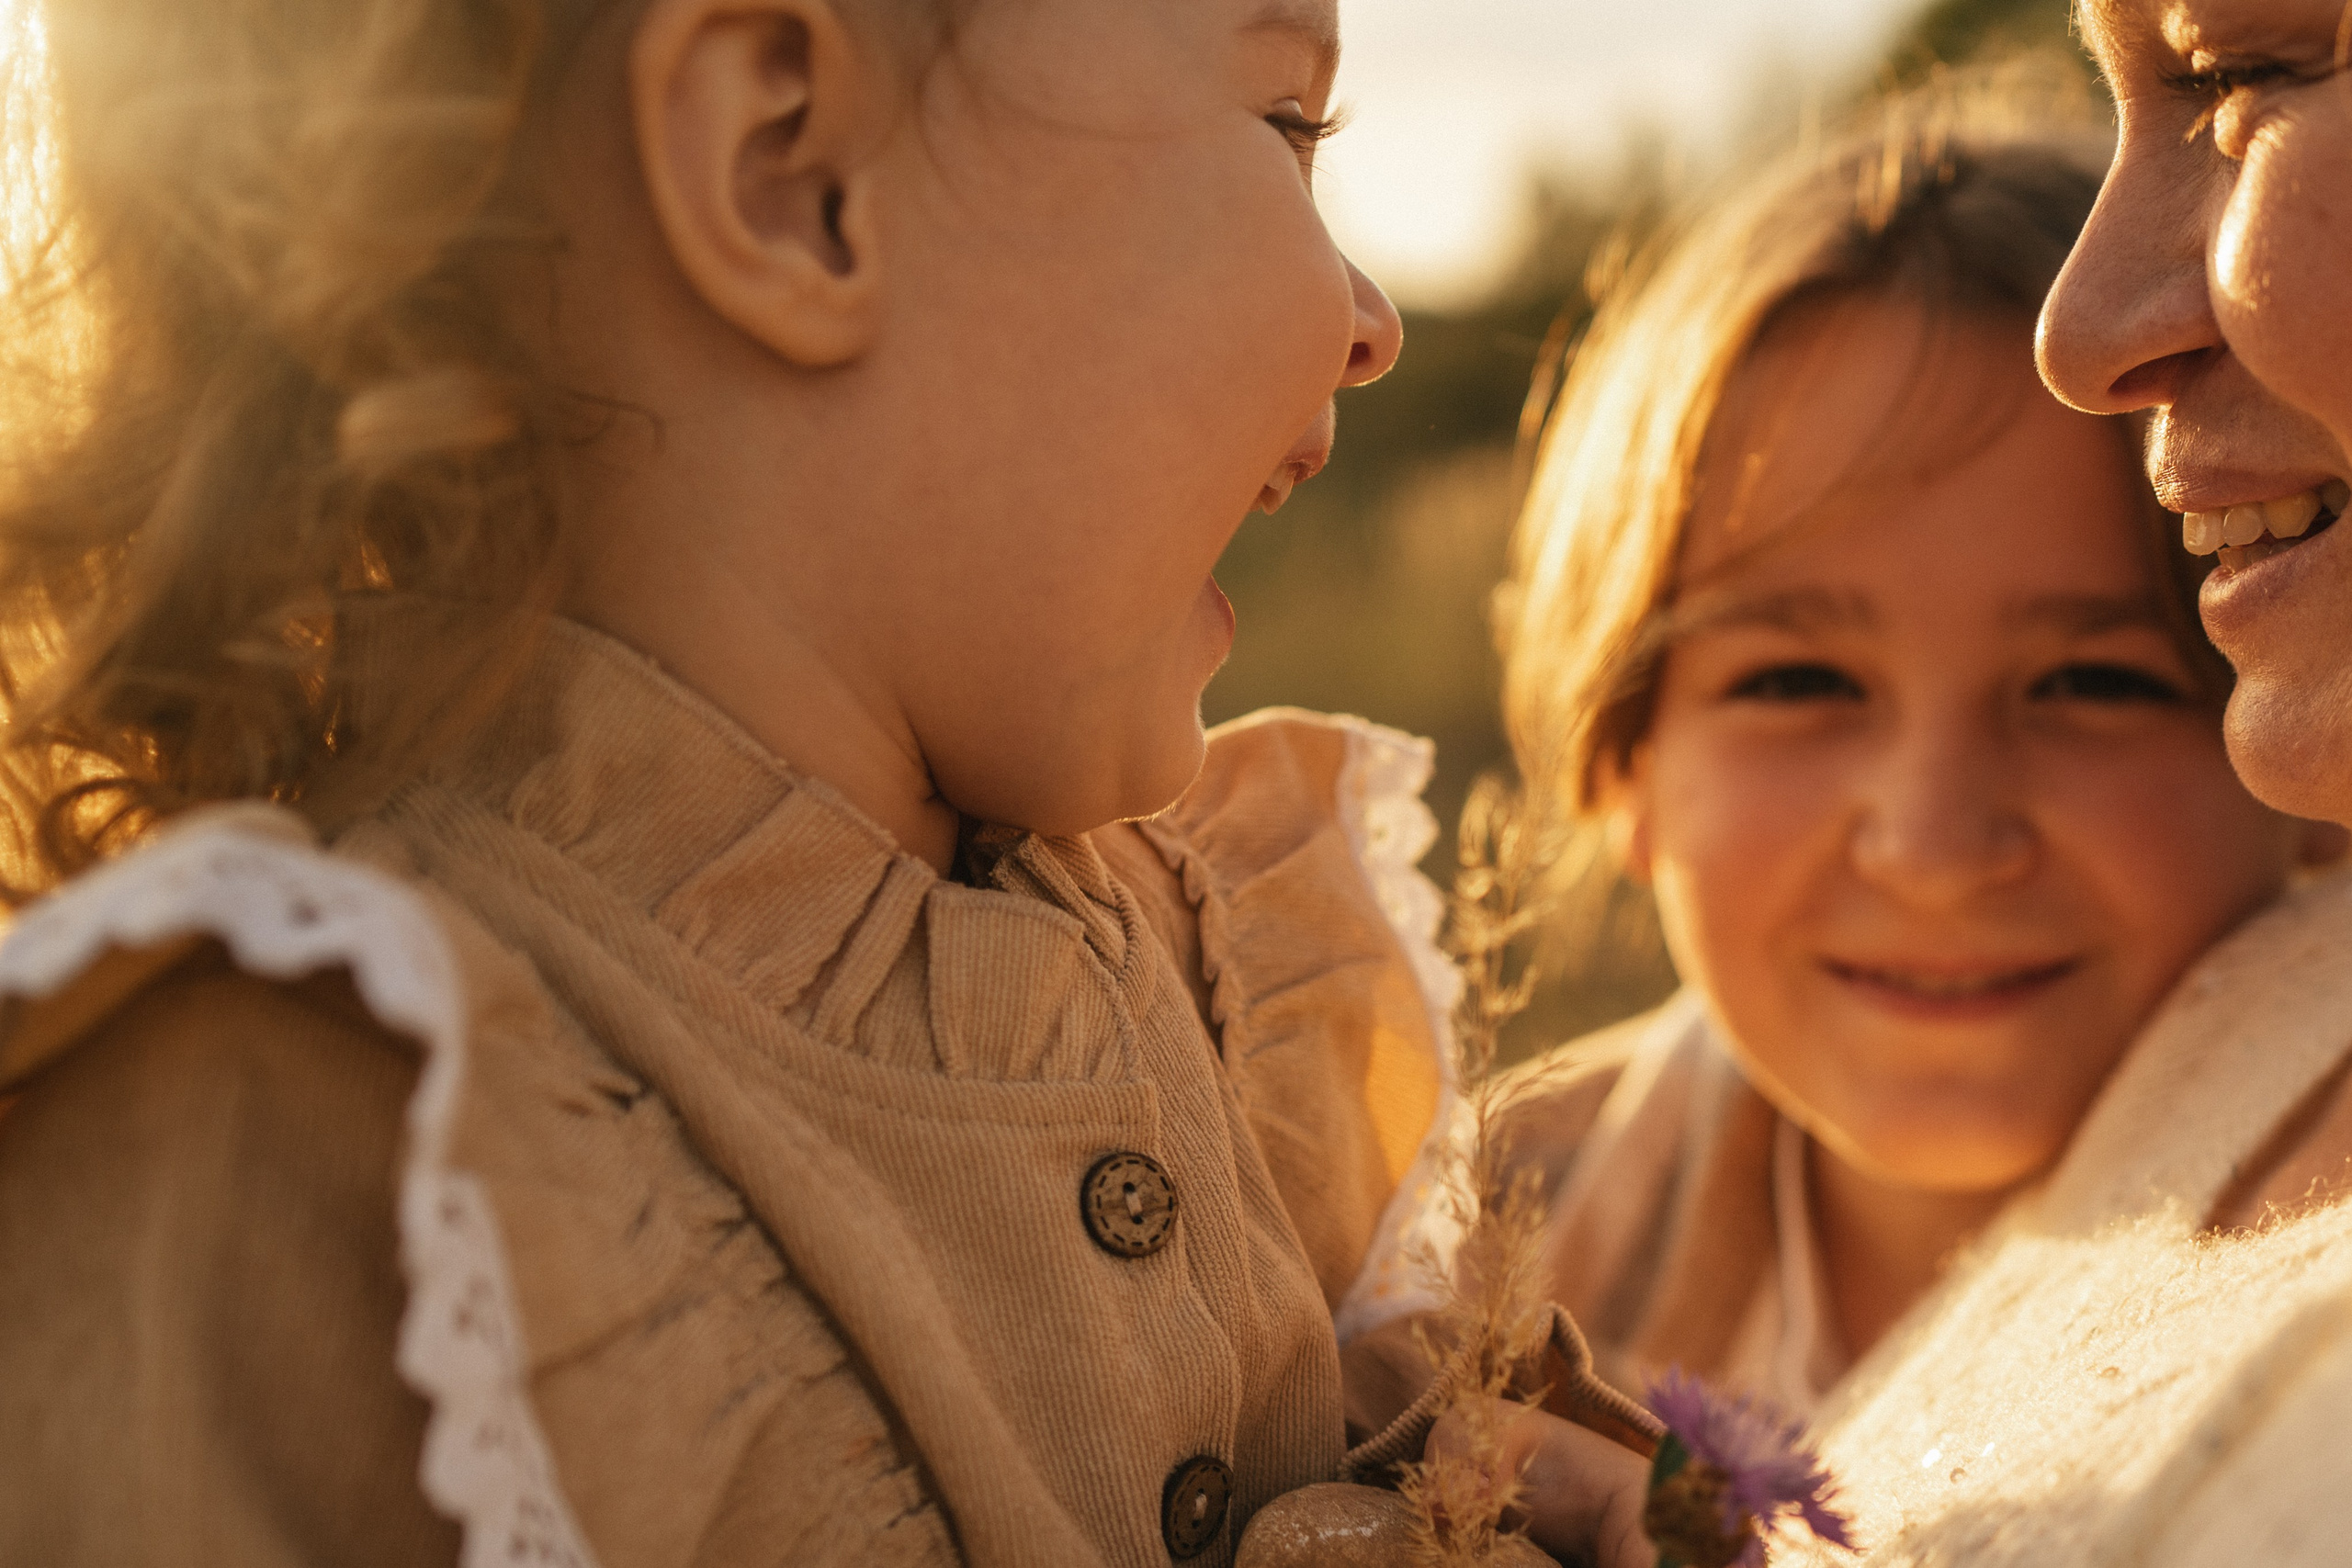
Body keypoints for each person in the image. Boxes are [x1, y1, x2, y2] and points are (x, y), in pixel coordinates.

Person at [0, 0, 1662, 1562]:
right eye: (1287, 118)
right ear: (789, 173)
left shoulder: (1208, 942)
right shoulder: (315, 1149)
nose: (1373, 325)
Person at [1339, 76, 2339, 1450]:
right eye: (1799, 683)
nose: (1932, 843)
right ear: (1622, 765)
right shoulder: (1431, 1278)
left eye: (2093, 682)